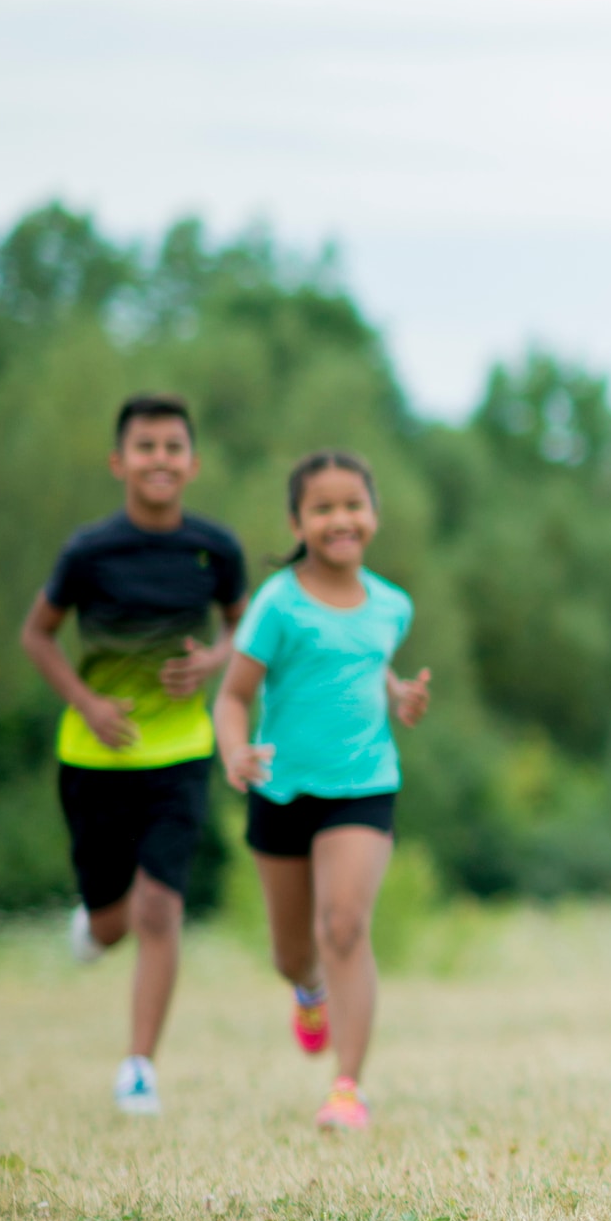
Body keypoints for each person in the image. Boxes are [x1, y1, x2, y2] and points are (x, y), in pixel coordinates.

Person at [20, 395, 249, 1114]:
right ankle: (92, 922)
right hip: (95, 756)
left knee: (160, 907)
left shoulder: (216, 549)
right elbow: (37, 635)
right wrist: (86, 703)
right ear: (120, 461)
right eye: (145, 447)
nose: (160, 459)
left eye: (173, 446)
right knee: (115, 920)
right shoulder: (89, 551)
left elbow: (245, 633)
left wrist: (212, 661)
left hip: (180, 752)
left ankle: (139, 1067)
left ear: (193, 462)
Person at [213, 450, 431, 1131]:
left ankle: (346, 1088)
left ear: (373, 514)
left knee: (344, 925)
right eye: (323, 508)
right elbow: (233, 697)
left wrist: (399, 695)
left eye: (352, 505)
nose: (341, 519)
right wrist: (234, 754)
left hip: (363, 784)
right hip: (280, 789)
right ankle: (308, 992)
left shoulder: (393, 605)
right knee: (291, 953)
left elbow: (368, 662)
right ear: (297, 521)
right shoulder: (278, 605)